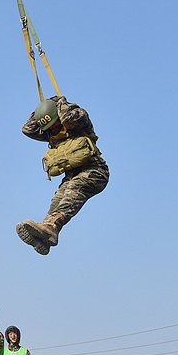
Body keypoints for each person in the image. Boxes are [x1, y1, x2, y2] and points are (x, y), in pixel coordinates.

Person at [16, 96, 109, 255]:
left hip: (95, 171)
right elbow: (27, 129)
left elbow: (70, 116)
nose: (53, 129)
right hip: (73, 175)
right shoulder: (50, 132)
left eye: (54, 124)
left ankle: (50, 228)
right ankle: (47, 237)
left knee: (73, 190)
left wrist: (58, 103)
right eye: (49, 127)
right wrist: (42, 110)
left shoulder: (77, 121)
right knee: (58, 198)